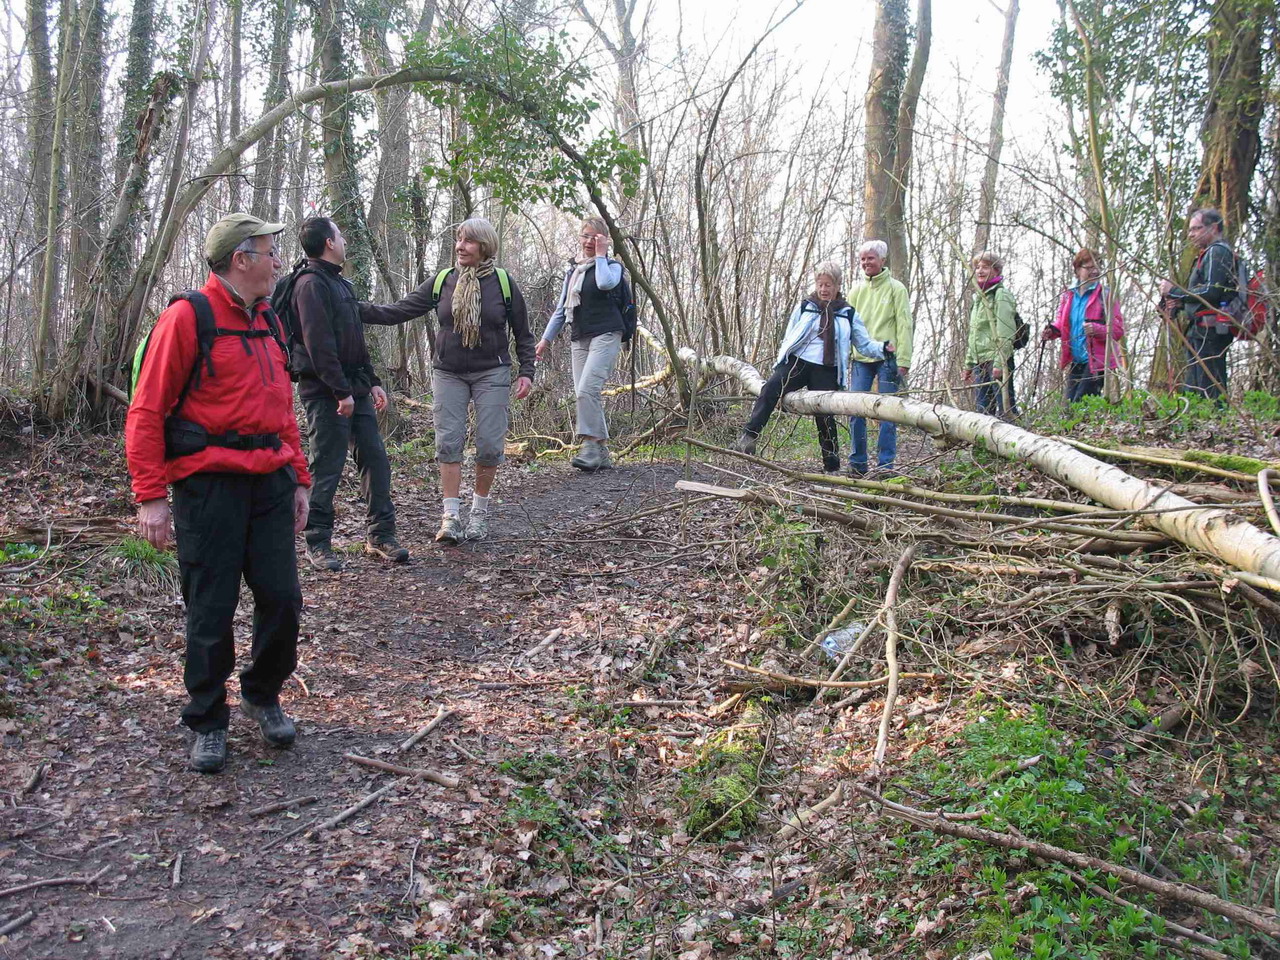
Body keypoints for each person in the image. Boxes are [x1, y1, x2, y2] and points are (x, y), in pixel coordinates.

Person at [126, 213, 310, 774]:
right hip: (208, 486)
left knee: (282, 598)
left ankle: (261, 693)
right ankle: (207, 719)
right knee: (211, 606)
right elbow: (146, 410)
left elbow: (282, 409)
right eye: (268, 250)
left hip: (270, 482)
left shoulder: (270, 322)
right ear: (240, 259)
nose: (277, 260)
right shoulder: (188, 318)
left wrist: (300, 477)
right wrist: (150, 495)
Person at [360, 217, 535, 544]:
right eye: (458, 239)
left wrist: (526, 372)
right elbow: (399, 311)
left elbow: (524, 334)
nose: (460, 246)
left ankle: (478, 513)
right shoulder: (443, 281)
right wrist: (353, 308)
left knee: (489, 444)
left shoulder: (504, 284)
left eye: (468, 241)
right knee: (449, 442)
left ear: (484, 246)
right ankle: (451, 516)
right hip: (448, 372)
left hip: (492, 371)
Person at [282, 216, 409, 572]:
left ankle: (381, 536)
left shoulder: (341, 284)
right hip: (325, 393)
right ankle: (317, 541)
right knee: (327, 466)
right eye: (339, 235)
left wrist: (371, 381)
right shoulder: (310, 285)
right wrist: (340, 392)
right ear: (328, 243)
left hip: (354, 389)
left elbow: (355, 340)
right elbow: (318, 344)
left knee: (375, 459)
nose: (344, 240)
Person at [731, 261, 891, 472]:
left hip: (827, 368)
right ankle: (749, 438)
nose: (824, 290)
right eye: (820, 284)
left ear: (837, 286)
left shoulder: (848, 313)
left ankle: (831, 465)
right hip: (798, 361)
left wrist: (884, 348)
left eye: (828, 285)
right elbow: (790, 335)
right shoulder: (806, 306)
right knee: (770, 388)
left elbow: (864, 344)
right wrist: (782, 360)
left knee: (824, 415)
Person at [535, 217, 635, 471]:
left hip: (607, 333)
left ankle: (590, 446)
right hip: (580, 335)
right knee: (584, 394)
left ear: (604, 240)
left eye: (596, 237)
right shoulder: (573, 271)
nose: (589, 241)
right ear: (579, 238)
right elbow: (561, 310)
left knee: (586, 390)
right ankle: (600, 452)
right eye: (586, 236)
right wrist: (545, 340)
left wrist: (601, 255)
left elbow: (605, 283)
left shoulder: (612, 267)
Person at [848, 240, 913, 476]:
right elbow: (848, 327)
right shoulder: (855, 291)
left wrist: (904, 359)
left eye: (871, 258)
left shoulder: (897, 289)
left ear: (882, 260)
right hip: (861, 359)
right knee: (856, 410)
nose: (866, 262)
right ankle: (857, 463)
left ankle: (885, 466)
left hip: (888, 358)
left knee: (887, 412)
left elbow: (905, 324)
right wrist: (846, 354)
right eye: (863, 258)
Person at [1160, 207, 1237, 400]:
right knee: (1195, 386)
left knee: (1209, 387)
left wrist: (1174, 291)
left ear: (1214, 228)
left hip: (1210, 331)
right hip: (1202, 330)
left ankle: (1216, 426)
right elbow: (1204, 295)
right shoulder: (1209, 254)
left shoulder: (1217, 252)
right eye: (1190, 229)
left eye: (1196, 228)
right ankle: (1205, 425)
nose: (1191, 234)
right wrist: (1178, 304)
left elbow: (1211, 292)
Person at [1041, 248, 1125, 402]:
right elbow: (1062, 323)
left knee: (1081, 403)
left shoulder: (1106, 295)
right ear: (1078, 270)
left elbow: (1118, 331)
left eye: (1098, 267)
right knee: (1068, 405)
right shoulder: (1068, 295)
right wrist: (1052, 331)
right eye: (1089, 267)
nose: (1094, 271)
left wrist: (1097, 329)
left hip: (1097, 362)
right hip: (1076, 360)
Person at [964, 251, 1018, 416]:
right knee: (983, 412)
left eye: (985, 267)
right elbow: (974, 333)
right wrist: (968, 364)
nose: (980, 271)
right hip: (980, 362)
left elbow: (1006, 331)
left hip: (997, 360)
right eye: (977, 267)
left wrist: (999, 362)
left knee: (1005, 409)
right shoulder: (979, 298)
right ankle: (985, 442)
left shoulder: (1001, 295)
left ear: (996, 270)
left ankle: (1014, 439)